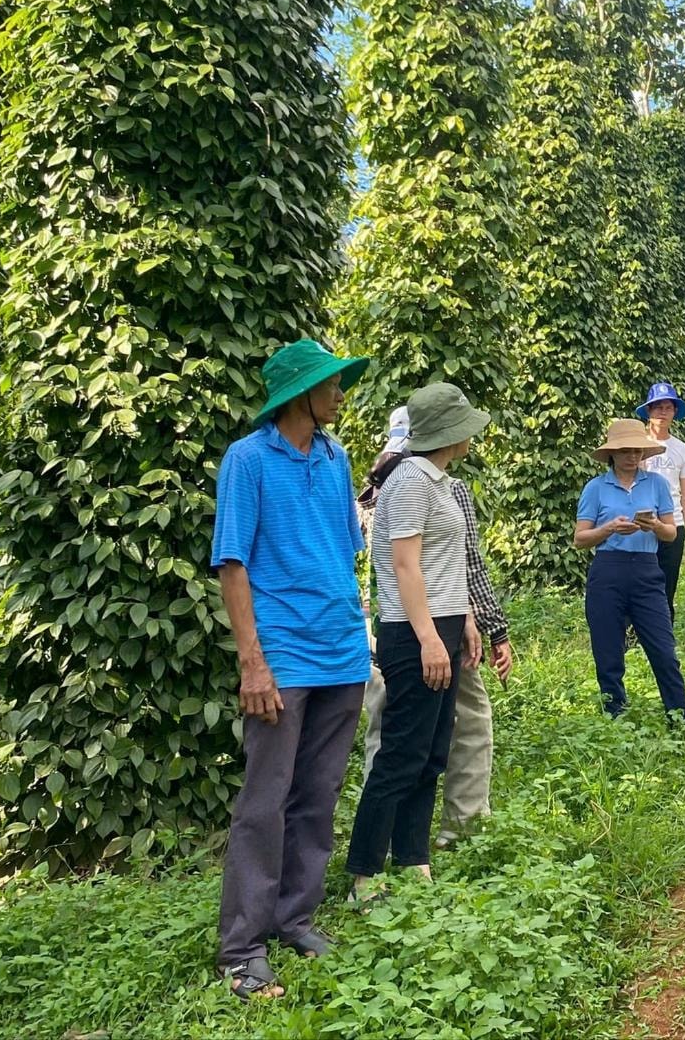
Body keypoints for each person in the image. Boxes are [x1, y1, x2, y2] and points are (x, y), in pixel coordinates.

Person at [211, 339, 371, 1001]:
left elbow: (344, 553)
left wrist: (359, 633)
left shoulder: (336, 460)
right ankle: (241, 949)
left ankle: (294, 918)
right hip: (284, 657)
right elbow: (233, 565)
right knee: (264, 803)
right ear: (299, 394)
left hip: (340, 652)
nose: (340, 394)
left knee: (319, 794)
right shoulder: (247, 460)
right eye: (330, 384)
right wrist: (254, 662)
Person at [346, 383, 493, 902]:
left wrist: (466, 620)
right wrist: (430, 639)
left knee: (431, 754)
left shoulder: (440, 481)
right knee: (400, 755)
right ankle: (364, 875)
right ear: (449, 433)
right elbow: (404, 567)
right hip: (414, 634)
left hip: (445, 626)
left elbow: (442, 564)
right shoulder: (410, 480)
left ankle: (414, 862)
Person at [360, 408, 515, 844]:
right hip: (426, 630)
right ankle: (458, 827)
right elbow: (454, 566)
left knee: (390, 731)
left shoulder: (373, 488)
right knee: (449, 728)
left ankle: (402, 845)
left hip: (388, 623)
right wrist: (484, 627)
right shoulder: (430, 487)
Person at [575, 418, 685, 721]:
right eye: (625, 450)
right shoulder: (596, 488)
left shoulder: (657, 484)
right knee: (608, 652)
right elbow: (580, 538)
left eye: (637, 450)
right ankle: (616, 718)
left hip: (647, 571)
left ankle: (680, 719)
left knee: (664, 650)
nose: (632, 456)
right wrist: (609, 529)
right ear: (612, 453)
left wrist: (654, 524)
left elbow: (671, 533)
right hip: (607, 572)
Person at [637, 381, 685, 622]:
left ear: (675, 412)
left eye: (668, 407)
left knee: (666, 582)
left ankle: (662, 630)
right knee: (638, 578)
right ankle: (634, 630)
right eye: (657, 407)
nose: (662, 412)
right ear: (648, 411)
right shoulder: (635, 447)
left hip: (673, 524)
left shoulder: (681, 450)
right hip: (641, 523)